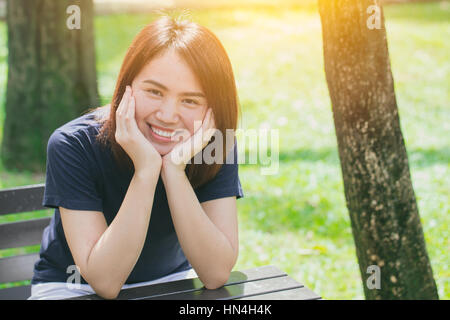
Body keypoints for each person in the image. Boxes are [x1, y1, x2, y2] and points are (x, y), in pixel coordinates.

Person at [28, 15, 243, 300]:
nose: (167, 116)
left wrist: (175, 172)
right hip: (73, 288)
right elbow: (105, 282)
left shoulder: (213, 144)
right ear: (126, 88)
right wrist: (146, 171)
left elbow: (216, 274)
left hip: (174, 282)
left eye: (190, 100)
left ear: (212, 108)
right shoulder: (73, 145)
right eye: (154, 92)